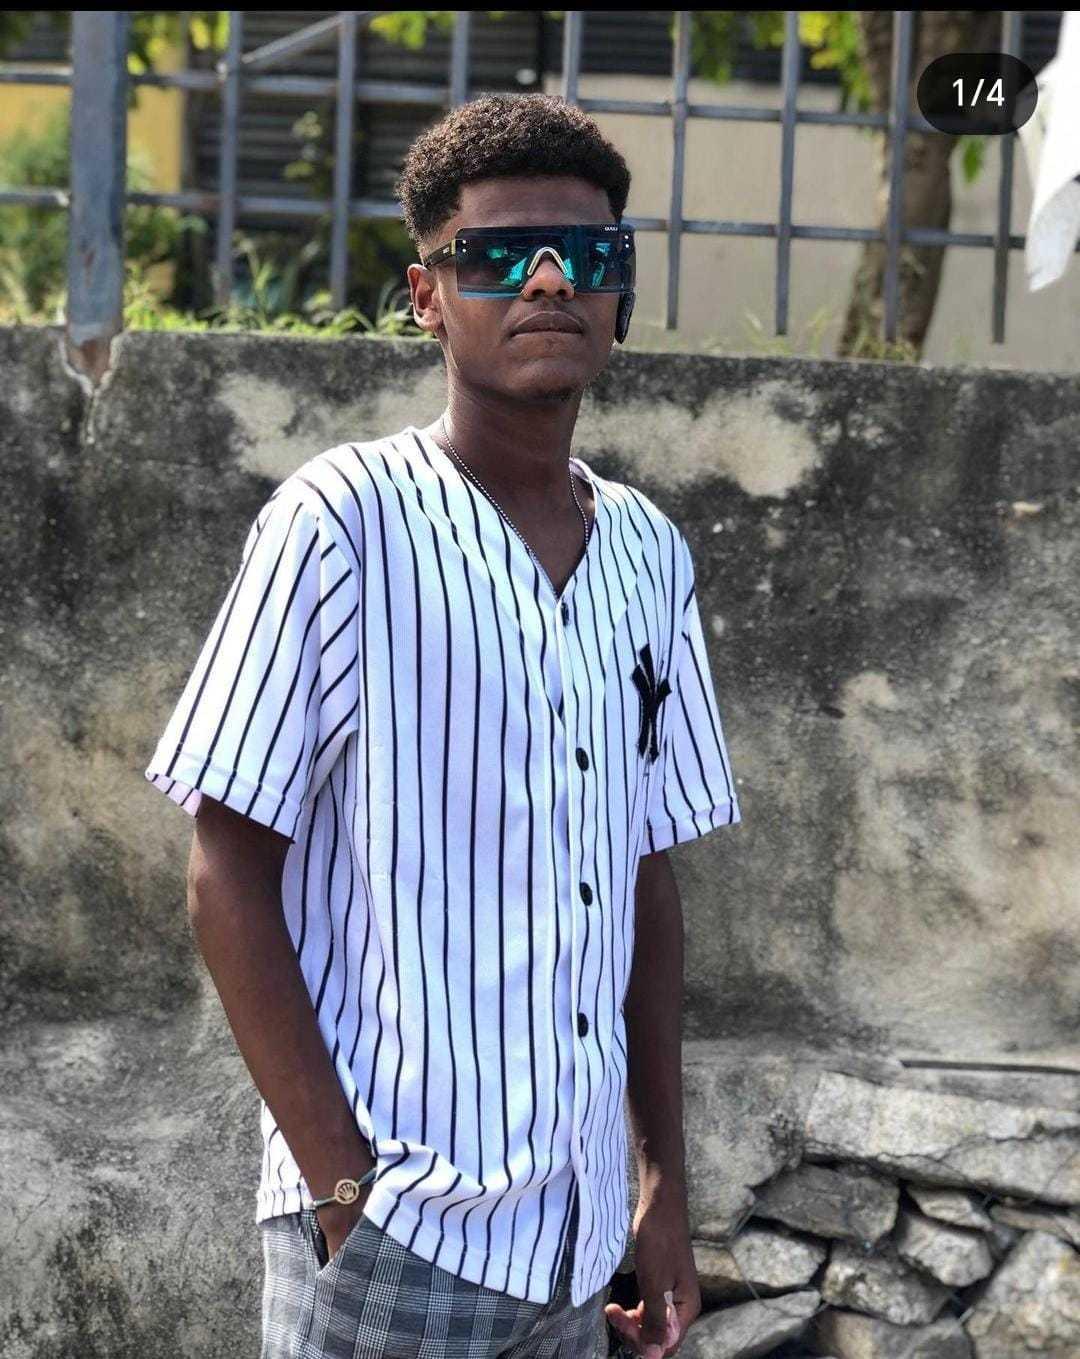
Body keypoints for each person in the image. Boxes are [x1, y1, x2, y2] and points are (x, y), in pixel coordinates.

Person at [144, 92, 741, 1359]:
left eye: (585, 254)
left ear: (621, 291)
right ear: (426, 295)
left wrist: (660, 1187)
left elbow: (645, 874)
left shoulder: (649, 554)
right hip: (398, 1235)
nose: (547, 280)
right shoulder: (341, 523)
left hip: (578, 1236)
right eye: (497, 255)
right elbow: (224, 872)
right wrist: (342, 1190)